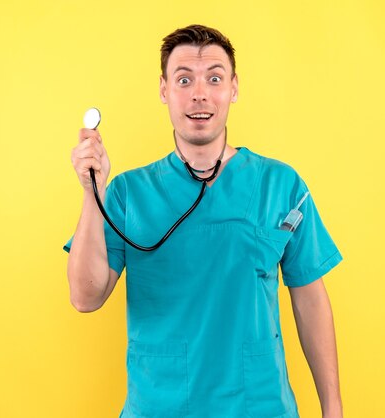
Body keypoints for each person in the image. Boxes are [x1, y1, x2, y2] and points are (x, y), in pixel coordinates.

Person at [65, 24, 344, 418]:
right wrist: (92, 191)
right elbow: (85, 296)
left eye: (215, 78)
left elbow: (310, 298)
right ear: (164, 90)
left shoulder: (281, 185)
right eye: (184, 79)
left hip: (258, 406)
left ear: (234, 88)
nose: (200, 93)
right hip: (160, 406)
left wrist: (333, 409)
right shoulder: (128, 193)